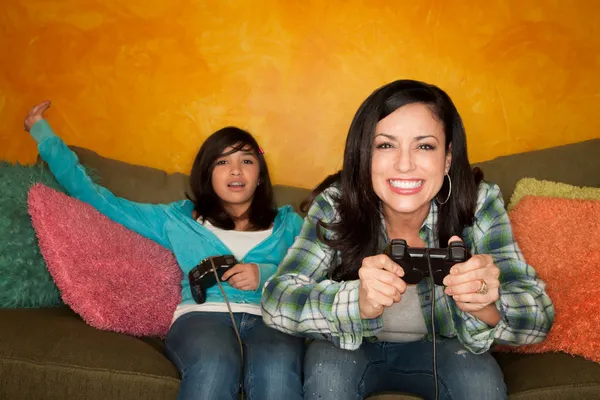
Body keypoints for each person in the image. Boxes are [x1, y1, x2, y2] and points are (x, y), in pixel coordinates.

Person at [261, 80, 554, 400]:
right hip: (351, 345)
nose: (404, 164)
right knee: (328, 378)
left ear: (446, 158)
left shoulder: (479, 202)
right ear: (365, 155)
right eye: (385, 145)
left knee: (482, 386)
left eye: (424, 146)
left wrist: (487, 305)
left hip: (445, 345)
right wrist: (356, 300)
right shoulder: (337, 204)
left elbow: (539, 318)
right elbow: (276, 300)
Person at [24, 101, 304, 400]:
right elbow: (98, 199)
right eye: (222, 162)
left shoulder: (290, 223)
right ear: (207, 173)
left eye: (246, 160)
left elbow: (317, 274)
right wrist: (43, 134)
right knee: (215, 363)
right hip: (202, 317)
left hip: (271, 318)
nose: (235, 170)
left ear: (260, 174)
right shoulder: (176, 219)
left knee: (277, 368)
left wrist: (265, 274)